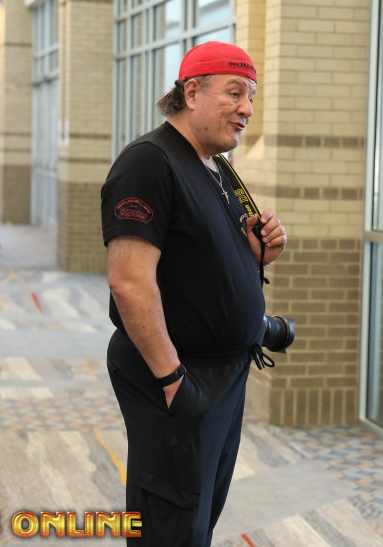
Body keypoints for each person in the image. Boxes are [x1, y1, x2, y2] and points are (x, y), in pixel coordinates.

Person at [101, 41, 287, 546]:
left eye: (251, 96)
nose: (247, 108)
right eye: (235, 93)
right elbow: (128, 281)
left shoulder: (215, 165)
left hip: (222, 374)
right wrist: (173, 380)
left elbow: (205, 261)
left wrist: (260, 252)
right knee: (170, 519)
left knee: (198, 517)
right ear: (191, 93)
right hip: (178, 372)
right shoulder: (149, 162)